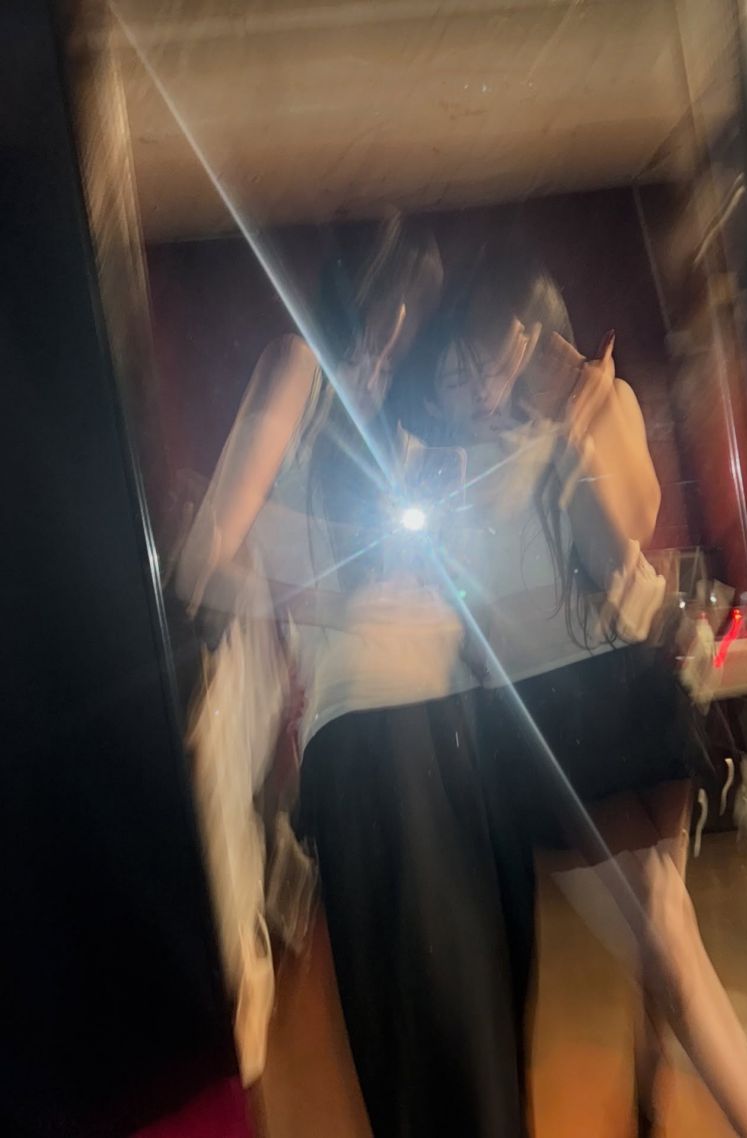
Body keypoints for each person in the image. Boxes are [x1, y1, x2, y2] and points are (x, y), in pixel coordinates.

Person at [400, 235, 747, 1138]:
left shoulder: (569, 426)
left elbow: (619, 552)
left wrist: (580, 436)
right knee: (667, 934)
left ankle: (692, 1094)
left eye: (481, 366)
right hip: (549, 719)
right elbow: (458, 621)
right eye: (453, 375)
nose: (472, 387)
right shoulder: (433, 475)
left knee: (668, 932)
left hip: (627, 692)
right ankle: (695, 1099)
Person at [176, 218, 534, 1138]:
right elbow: (202, 565)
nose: (403, 332)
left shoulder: (389, 413)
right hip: (352, 736)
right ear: (366, 295)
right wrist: (345, 602)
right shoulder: (298, 365)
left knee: (476, 1021)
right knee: (415, 1031)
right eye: (398, 306)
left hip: (436, 724)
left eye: (418, 317)